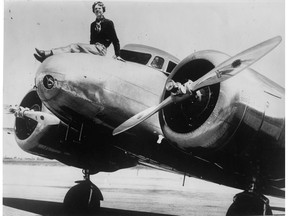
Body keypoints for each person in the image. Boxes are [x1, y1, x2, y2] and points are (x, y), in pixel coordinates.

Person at [34, 1, 124, 62]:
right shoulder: (92, 25)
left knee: (74, 46)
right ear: (93, 11)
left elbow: (115, 40)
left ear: (103, 10)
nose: (97, 10)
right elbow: (92, 41)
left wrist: (118, 55)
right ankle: (47, 59)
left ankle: (47, 53)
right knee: (73, 52)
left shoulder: (108, 23)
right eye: (95, 9)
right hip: (93, 48)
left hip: (101, 49)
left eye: (99, 8)